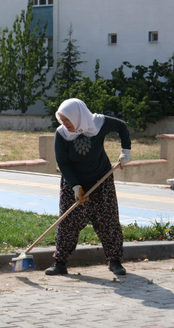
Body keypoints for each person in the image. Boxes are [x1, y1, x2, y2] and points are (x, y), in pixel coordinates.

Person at [46, 98, 131, 276]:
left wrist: (126, 152)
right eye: (62, 120)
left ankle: (114, 261)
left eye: (67, 119)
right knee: (68, 222)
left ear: (77, 116)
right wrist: (75, 186)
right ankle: (60, 262)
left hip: (102, 180)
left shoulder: (98, 123)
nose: (65, 123)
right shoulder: (61, 135)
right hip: (74, 182)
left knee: (108, 221)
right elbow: (63, 163)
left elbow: (122, 127)